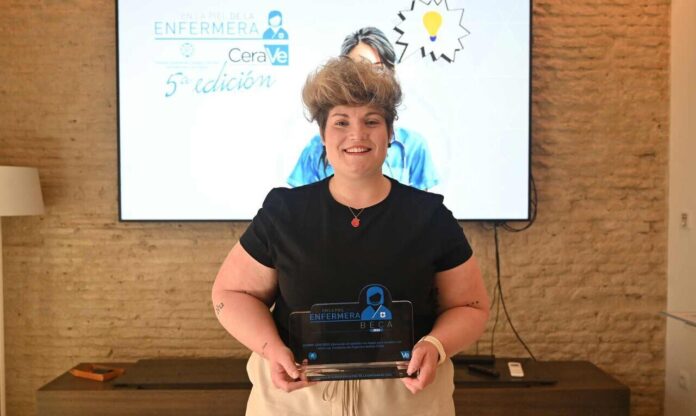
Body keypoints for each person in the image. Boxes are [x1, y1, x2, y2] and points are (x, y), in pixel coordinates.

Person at [212, 57, 489, 416]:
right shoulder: (284, 212)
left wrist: (436, 345)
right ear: (323, 136)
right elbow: (231, 294)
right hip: (295, 406)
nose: (357, 135)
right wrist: (270, 348)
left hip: (406, 406)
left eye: (371, 121)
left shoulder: (430, 216)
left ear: (390, 134)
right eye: (341, 122)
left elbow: (470, 306)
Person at [287, 27, 439, 190]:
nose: (366, 78)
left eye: (377, 69)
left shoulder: (414, 146)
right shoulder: (315, 150)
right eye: (357, 68)